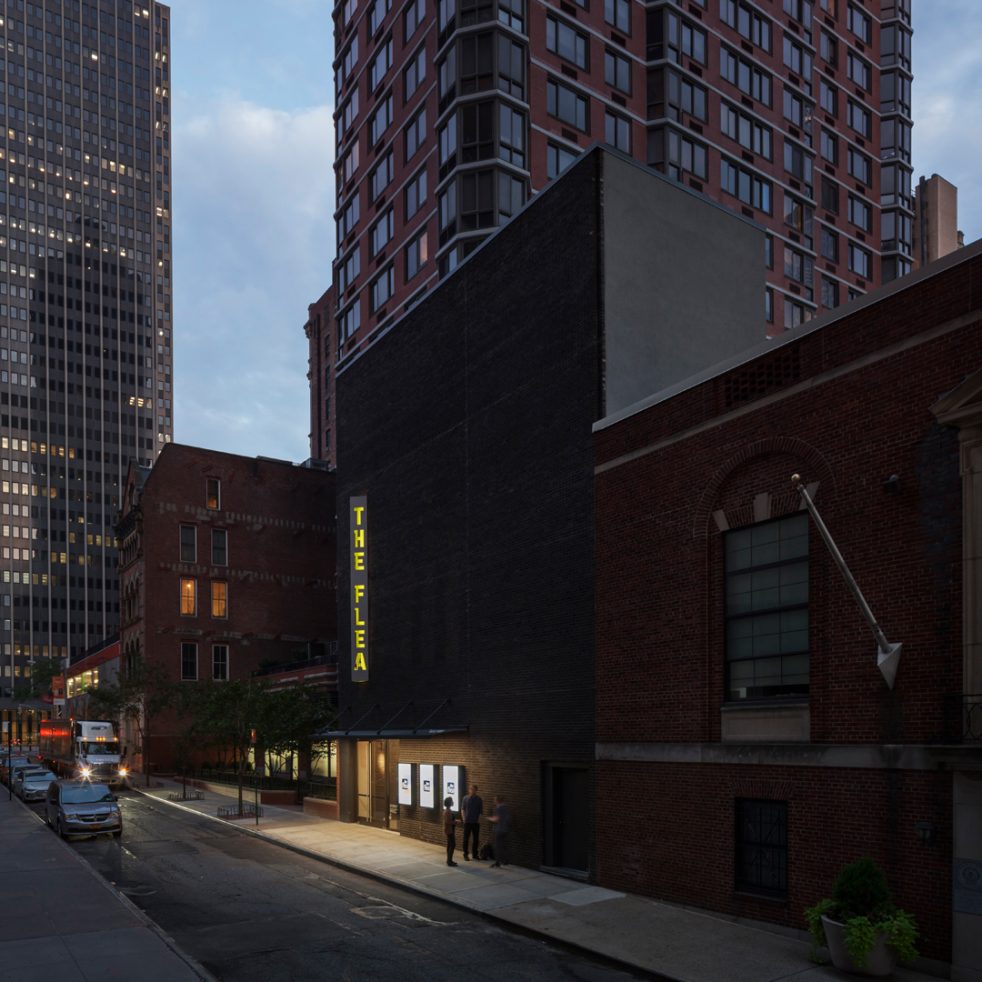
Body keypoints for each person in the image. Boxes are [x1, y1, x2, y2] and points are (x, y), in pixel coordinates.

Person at [459, 783, 483, 860]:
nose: (471, 790)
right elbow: (462, 809)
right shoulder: (465, 798)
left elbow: (480, 811)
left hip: (475, 822)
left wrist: (478, 820)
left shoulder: (479, 799)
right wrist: (463, 818)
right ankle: (465, 854)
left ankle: (475, 854)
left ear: (476, 790)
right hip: (467, 822)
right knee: (466, 838)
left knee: (476, 839)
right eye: (470, 789)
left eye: (473, 789)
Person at [486, 794, 510, 868]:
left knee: (497, 846)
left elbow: (496, 819)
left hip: (499, 830)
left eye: (495, 800)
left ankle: (498, 862)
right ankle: (505, 860)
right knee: (503, 845)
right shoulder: (506, 808)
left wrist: (489, 818)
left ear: (497, 800)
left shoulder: (498, 808)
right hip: (505, 829)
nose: (494, 801)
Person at [443, 796, 458, 866]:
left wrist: (454, 821)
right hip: (449, 830)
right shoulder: (447, 811)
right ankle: (449, 860)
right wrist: (455, 822)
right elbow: (448, 821)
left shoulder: (448, 810)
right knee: (452, 844)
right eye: (452, 801)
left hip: (449, 829)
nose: (453, 802)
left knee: (450, 844)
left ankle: (449, 860)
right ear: (449, 803)